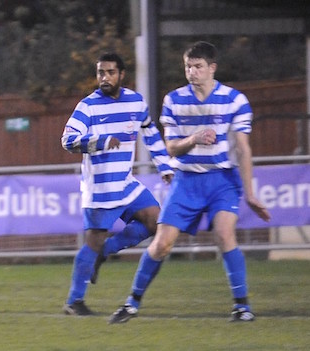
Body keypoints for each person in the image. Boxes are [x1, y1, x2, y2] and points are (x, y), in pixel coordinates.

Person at [108, 41, 271, 324]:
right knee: (161, 245)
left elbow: (243, 149)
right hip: (186, 181)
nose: (192, 72)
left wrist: (250, 193)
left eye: (198, 66)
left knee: (224, 234)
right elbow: (170, 147)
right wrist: (194, 139)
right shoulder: (174, 100)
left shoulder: (235, 100)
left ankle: (242, 306)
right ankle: (131, 303)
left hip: (222, 181)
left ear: (212, 68)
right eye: (188, 66)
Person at [60, 53, 174, 316]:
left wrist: (164, 166)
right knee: (93, 241)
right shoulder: (87, 106)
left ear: (122, 74)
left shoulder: (135, 102)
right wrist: (100, 140)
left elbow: (150, 131)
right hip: (100, 187)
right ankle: (74, 301)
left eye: (110, 72)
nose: (104, 77)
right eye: (100, 72)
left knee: (155, 222)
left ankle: (105, 252)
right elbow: (67, 141)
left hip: (125, 182)